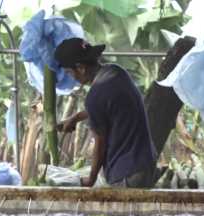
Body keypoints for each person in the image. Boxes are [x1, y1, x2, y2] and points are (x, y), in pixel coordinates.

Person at [54, 38, 158, 188]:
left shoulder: (95, 96)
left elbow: (100, 145)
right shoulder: (116, 72)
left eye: (70, 73)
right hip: (146, 164)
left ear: (81, 68)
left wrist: (91, 179)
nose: (72, 78)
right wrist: (75, 118)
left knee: (119, 212)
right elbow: (108, 106)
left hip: (126, 173)